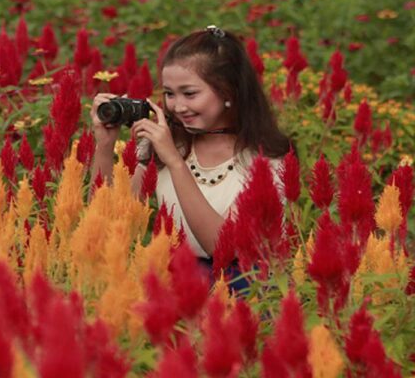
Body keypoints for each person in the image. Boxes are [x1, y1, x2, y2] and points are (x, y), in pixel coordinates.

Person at [90, 25, 291, 286]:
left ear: (228, 91)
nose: (178, 106)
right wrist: (104, 147)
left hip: (246, 291)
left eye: (190, 93)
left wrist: (175, 162)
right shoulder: (170, 146)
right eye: (170, 94)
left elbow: (223, 249)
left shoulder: (266, 162)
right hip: (176, 280)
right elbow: (109, 217)